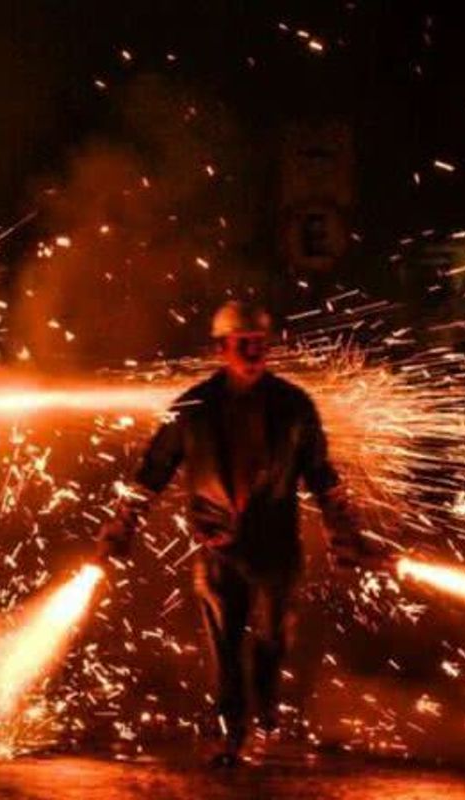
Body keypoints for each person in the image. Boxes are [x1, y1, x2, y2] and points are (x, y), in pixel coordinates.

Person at [97, 300, 393, 766]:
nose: (253, 352)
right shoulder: (194, 408)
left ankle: (266, 705)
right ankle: (232, 732)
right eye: (243, 345)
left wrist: (344, 531)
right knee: (226, 644)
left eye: (259, 344)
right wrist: (123, 524)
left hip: (275, 545)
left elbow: (320, 474)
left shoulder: (294, 406)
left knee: (271, 637)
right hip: (218, 546)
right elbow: (153, 469)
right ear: (222, 348)